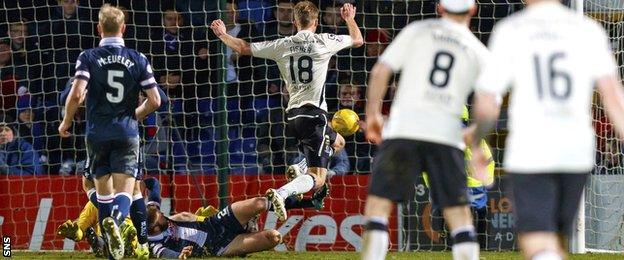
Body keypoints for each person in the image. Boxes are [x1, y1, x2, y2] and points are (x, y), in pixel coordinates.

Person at [469, 0, 624, 259]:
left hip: (531, 149)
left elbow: (488, 101)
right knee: (554, 241)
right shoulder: (587, 29)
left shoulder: (511, 30)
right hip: (576, 151)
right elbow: (613, 97)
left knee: (538, 243)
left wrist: (475, 143)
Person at [210, 1, 363, 221]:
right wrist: (349, 18)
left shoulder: (282, 44)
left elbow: (243, 47)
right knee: (318, 178)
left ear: (294, 22)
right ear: (317, 22)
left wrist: (223, 34)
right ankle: (281, 193)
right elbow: (357, 40)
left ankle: (299, 167)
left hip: (293, 116)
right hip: (315, 116)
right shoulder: (325, 40)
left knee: (338, 142)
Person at [362, 0, 488, 259]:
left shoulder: (418, 30)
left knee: (378, 206)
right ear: (473, 10)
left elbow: (380, 71)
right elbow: (491, 102)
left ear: (440, 7)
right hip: (446, 135)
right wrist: (475, 135)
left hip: (403, 130)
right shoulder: (477, 49)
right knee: (459, 215)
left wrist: (373, 114)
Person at [58, 4, 161, 259]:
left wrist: (66, 122)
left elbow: (77, 94)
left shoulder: (88, 56)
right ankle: (124, 229)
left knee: (102, 193)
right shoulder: (138, 58)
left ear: (98, 28)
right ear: (124, 28)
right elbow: (156, 100)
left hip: (97, 134)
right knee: (128, 190)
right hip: (126, 133)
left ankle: (111, 245)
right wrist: (133, 115)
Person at [146, 180, 330, 258]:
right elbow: (165, 255)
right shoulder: (155, 245)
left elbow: (153, 183)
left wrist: (140, 183)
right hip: (220, 246)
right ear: (154, 228)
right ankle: (248, 231)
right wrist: (179, 256)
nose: (163, 214)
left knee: (259, 203)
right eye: (160, 216)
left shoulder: (155, 218)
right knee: (274, 237)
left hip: (215, 222)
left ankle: (311, 202)